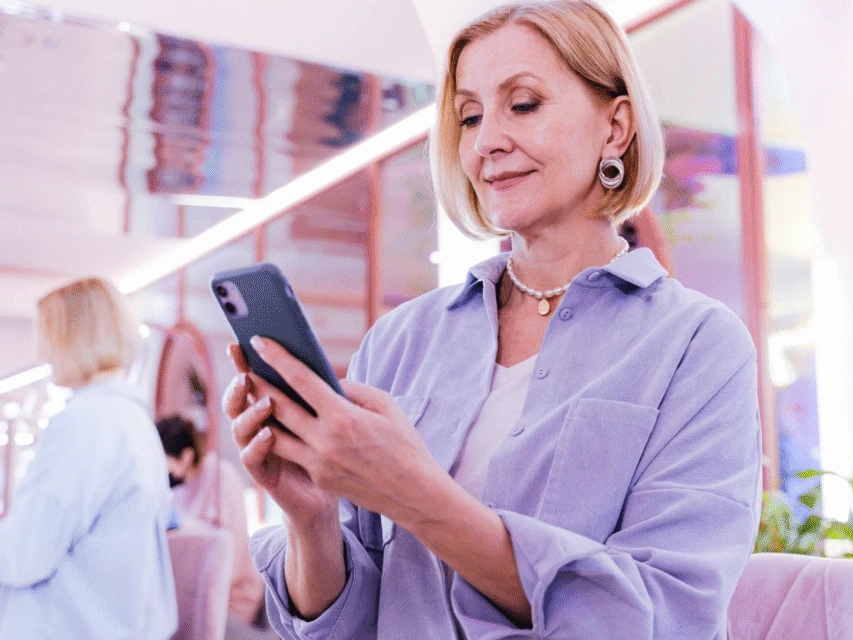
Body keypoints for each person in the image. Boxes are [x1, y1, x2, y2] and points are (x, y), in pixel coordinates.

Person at [224, 1, 762, 638]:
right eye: (471, 116)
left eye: (524, 104)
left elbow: (663, 618)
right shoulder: (400, 341)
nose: (486, 142)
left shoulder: (697, 344)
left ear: (615, 128)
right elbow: (348, 625)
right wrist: (310, 522)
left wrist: (417, 496)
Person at [0, 277, 177, 639]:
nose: (43, 353)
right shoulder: (130, 419)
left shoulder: (87, 423)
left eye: (47, 336)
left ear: (71, 339)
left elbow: (23, 557)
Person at [158, 415, 265, 630]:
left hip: (233, 600)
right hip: (200, 594)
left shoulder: (221, 477)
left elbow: (232, 554)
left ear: (186, 456)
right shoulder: (179, 489)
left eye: (164, 461)